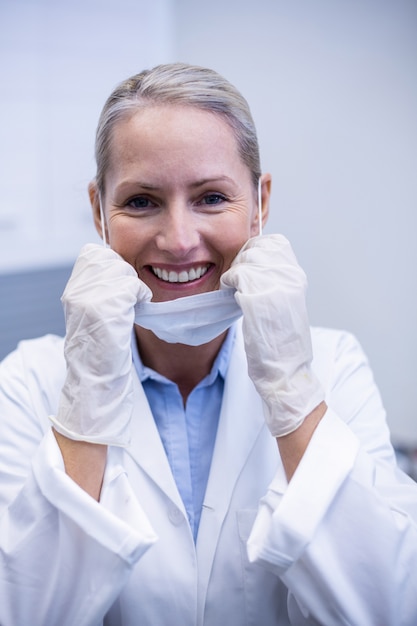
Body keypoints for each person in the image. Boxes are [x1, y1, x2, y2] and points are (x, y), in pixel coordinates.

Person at [0, 62, 416, 626]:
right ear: (99, 210)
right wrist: (85, 408)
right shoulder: (29, 382)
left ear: (260, 204)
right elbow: (21, 611)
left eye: (213, 198)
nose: (178, 240)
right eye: (142, 201)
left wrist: (292, 392)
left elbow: (386, 607)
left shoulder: (333, 368)